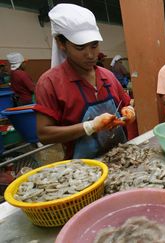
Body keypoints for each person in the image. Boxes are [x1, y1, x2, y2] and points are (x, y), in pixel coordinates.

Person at [34, 3, 136, 159]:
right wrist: (90, 127)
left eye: (94, 45)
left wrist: (129, 110)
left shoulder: (107, 75)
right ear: (61, 44)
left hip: (120, 157)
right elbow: (44, 134)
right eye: (80, 47)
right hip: (83, 169)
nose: (90, 55)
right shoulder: (50, 83)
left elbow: (127, 103)